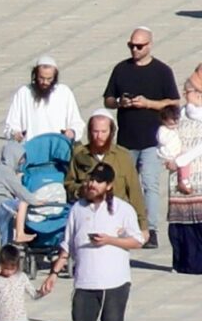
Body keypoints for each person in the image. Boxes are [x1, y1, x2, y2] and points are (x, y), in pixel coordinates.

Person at [38, 164, 141, 321]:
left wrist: (110, 240)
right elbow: (67, 244)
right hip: (84, 280)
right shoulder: (77, 209)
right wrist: (54, 273)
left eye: (97, 181)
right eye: (90, 180)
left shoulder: (122, 210)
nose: (91, 185)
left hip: (115, 281)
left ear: (109, 186)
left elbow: (137, 241)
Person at [103, 27, 179, 249]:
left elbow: (173, 102)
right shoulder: (121, 69)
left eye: (139, 46)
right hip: (126, 138)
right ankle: (125, 225)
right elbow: (107, 98)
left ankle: (151, 229)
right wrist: (120, 103)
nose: (134, 50)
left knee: (150, 184)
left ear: (149, 45)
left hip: (152, 139)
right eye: (131, 46)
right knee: (123, 184)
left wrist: (148, 104)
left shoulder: (162, 71)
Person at [64, 111, 146, 232]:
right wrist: (83, 189)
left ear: (111, 132)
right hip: (87, 217)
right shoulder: (79, 154)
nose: (99, 136)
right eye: (95, 131)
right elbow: (68, 184)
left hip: (115, 219)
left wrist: (143, 226)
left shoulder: (123, 156)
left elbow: (135, 192)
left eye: (104, 132)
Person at [162, 78, 202, 273]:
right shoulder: (180, 114)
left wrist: (180, 161)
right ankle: (183, 263)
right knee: (181, 223)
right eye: (185, 92)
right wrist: (167, 156)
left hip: (198, 173)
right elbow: (165, 136)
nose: (185, 95)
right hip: (178, 176)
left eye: (189, 91)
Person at [3, 56, 82, 141]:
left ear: (55, 77)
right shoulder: (24, 93)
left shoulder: (64, 92)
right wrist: (15, 134)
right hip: (30, 149)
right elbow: (10, 126)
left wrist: (72, 132)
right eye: (41, 78)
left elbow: (77, 123)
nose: (45, 82)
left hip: (58, 150)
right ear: (35, 75)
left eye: (49, 79)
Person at [0, 141, 39, 249]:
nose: (23, 161)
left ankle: (2, 261)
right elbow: (19, 191)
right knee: (22, 203)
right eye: (21, 158)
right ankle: (20, 234)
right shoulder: (5, 171)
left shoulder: (4, 169)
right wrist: (35, 201)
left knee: (6, 242)